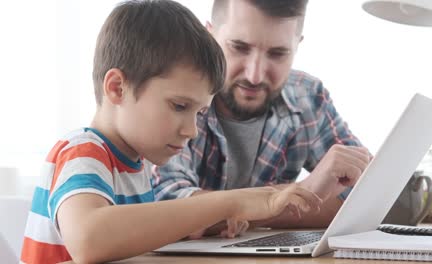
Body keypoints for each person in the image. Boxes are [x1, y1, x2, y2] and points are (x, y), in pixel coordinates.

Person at [19, 1, 323, 263]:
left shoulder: (137, 164)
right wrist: (231, 201)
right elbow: (88, 239)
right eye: (179, 106)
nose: (192, 130)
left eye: (200, 113)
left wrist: (211, 221)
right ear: (117, 88)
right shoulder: (83, 152)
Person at [154, 0, 371, 238]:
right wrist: (298, 194)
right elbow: (169, 205)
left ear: (297, 46)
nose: (255, 75)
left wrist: (242, 211)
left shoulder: (308, 96)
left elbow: (366, 198)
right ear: (210, 35)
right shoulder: (175, 95)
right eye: (239, 47)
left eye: (277, 53)